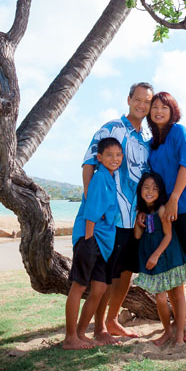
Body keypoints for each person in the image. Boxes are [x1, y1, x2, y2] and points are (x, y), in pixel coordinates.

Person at [81, 81, 153, 343]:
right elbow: (89, 165)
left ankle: (112, 320)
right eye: (138, 99)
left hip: (133, 220)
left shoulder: (146, 139)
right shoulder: (111, 128)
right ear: (129, 99)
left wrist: (145, 210)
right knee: (107, 275)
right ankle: (99, 327)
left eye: (147, 101)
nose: (142, 105)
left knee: (125, 274)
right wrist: (93, 206)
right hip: (109, 219)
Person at [146, 91, 186, 342]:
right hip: (164, 215)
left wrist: (173, 200)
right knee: (174, 267)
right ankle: (175, 325)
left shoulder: (179, 132)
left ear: (173, 111)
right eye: (155, 107)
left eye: (164, 107)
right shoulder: (151, 144)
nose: (159, 111)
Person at [63, 137, 122, 350]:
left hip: (103, 242)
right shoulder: (99, 178)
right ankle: (70, 338)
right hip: (90, 237)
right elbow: (91, 213)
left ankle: (80, 334)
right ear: (99, 158)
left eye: (118, 155)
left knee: (99, 288)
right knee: (79, 286)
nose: (114, 159)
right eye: (109, 155)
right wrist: (87, 241)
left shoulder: (111, 177)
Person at [133, 172, 186, 346]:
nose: (150, 191)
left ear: (160, 191)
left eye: (154, 188)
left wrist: (155, 254)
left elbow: (168, 236)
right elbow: (138, 236)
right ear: (140, 190)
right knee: (160, 298)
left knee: (177, 293)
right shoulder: (142, 212)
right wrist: (138, 221)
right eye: (146, 187)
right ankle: (167, 331)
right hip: (155, 258)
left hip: (168, 254)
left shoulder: (161, 210)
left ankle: (179, 335)